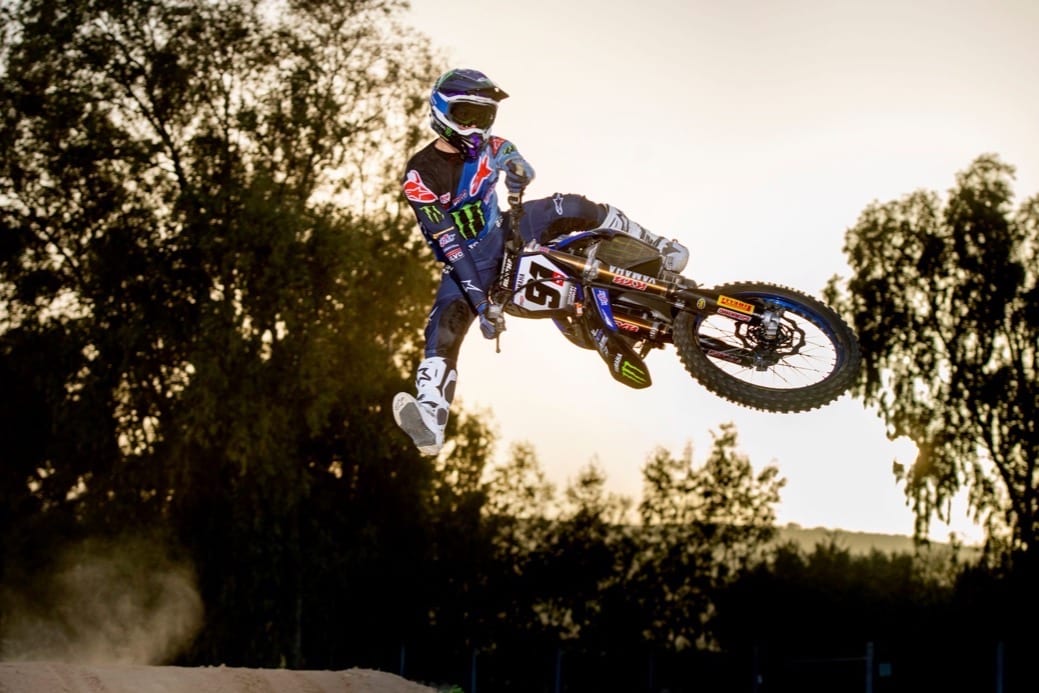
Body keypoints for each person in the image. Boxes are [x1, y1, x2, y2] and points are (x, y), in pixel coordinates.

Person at [393, 68, 690, 456]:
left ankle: (659, 247)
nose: (474, 126)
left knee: (572, 205)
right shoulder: (420, 176)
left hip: (508, 228)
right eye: (465, 115)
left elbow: (518, 163)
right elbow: (450, 244)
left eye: (483, 116)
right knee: (442, 328)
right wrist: (481, 305)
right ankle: (431, 419)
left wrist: (519, 174)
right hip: (468, 262)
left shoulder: (494, 146)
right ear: (441, 112)